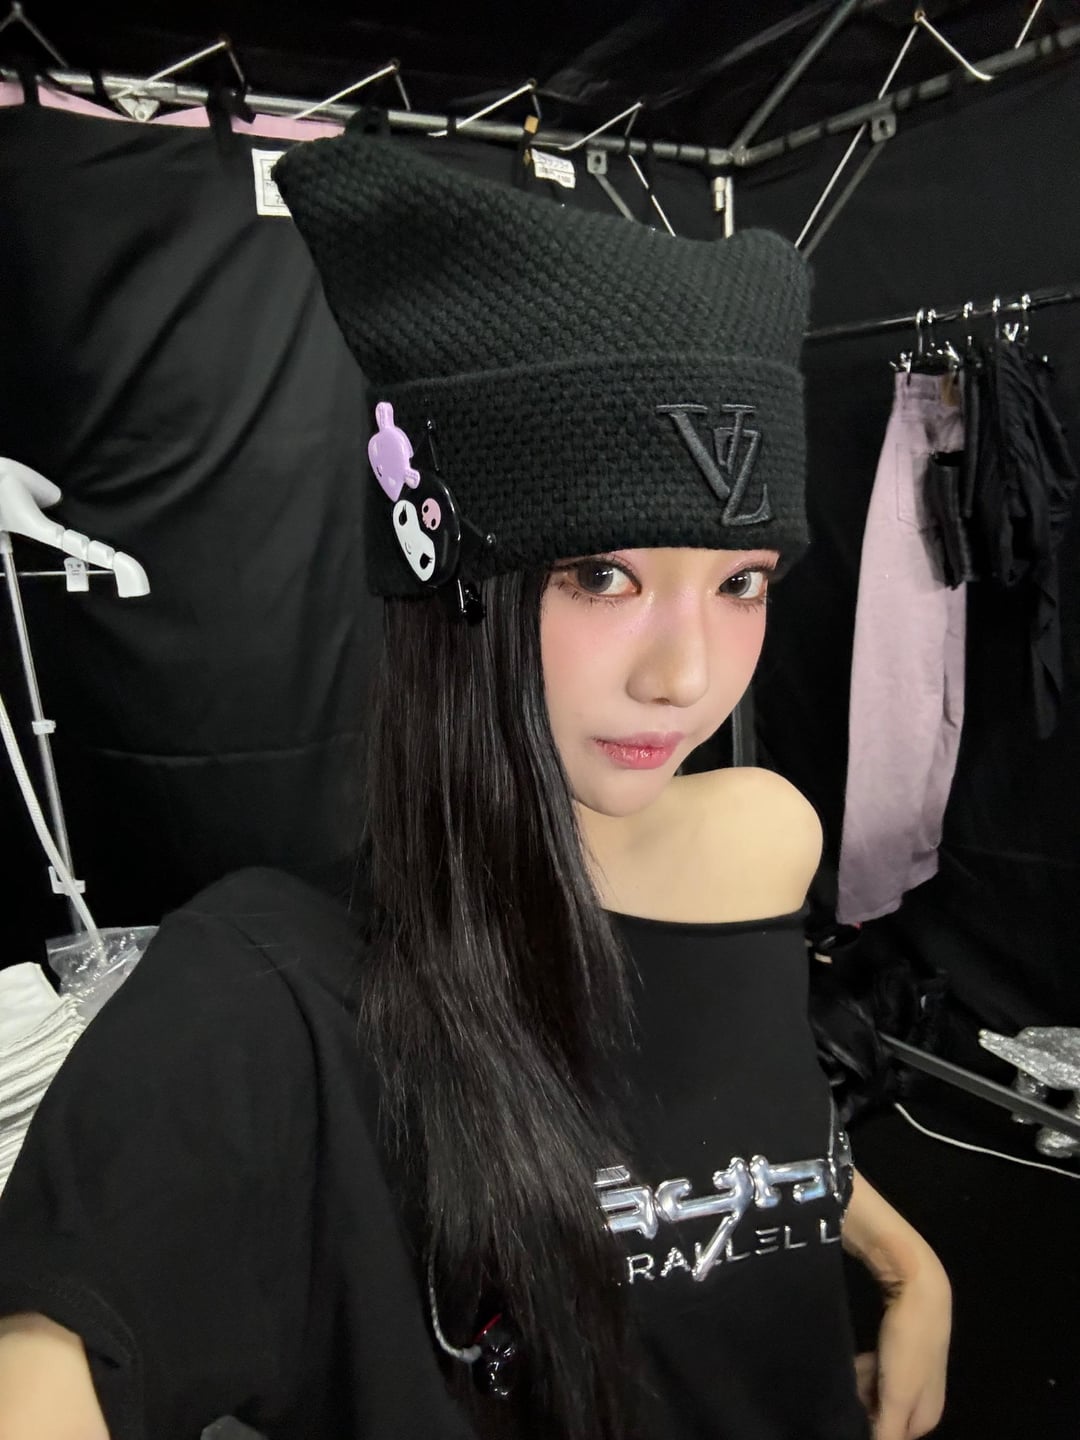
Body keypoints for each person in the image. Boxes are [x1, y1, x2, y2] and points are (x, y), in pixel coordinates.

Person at [0, 130, 952, 1440]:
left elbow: (743, 1131)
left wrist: (908, 1262)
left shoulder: (757, 842)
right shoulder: (267, 1003)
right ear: (454, 594)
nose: (687, 676)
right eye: (601, 575)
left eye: (741, 583)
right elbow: (54, 1349)